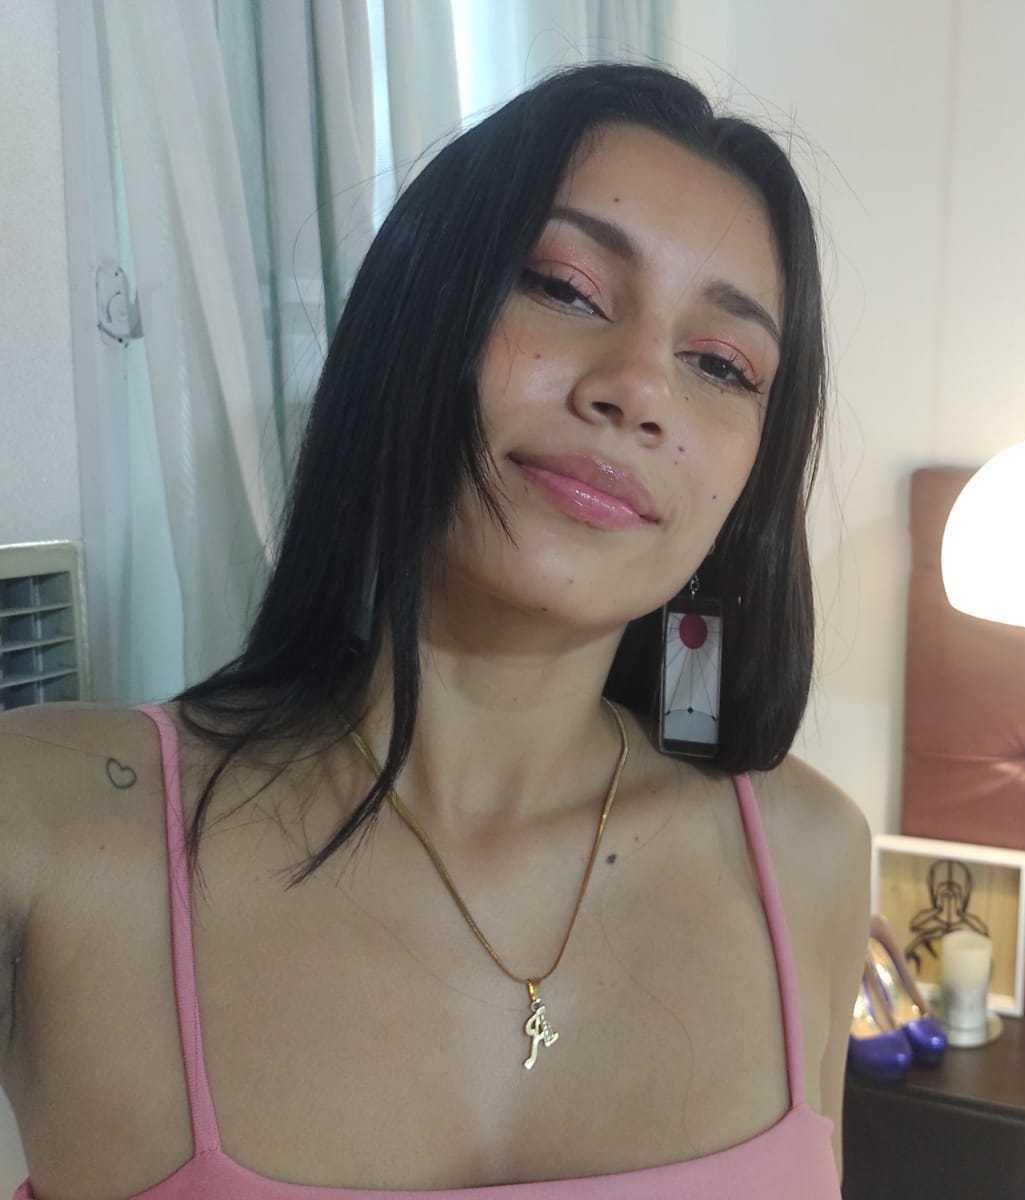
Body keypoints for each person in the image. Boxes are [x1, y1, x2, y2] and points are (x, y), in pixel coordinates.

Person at [0, 61, 868, 1199]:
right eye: (564, 288)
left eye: (720, 364)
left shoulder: (807, 860)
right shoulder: (51, 832)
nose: (640, 389)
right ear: (417, 320)